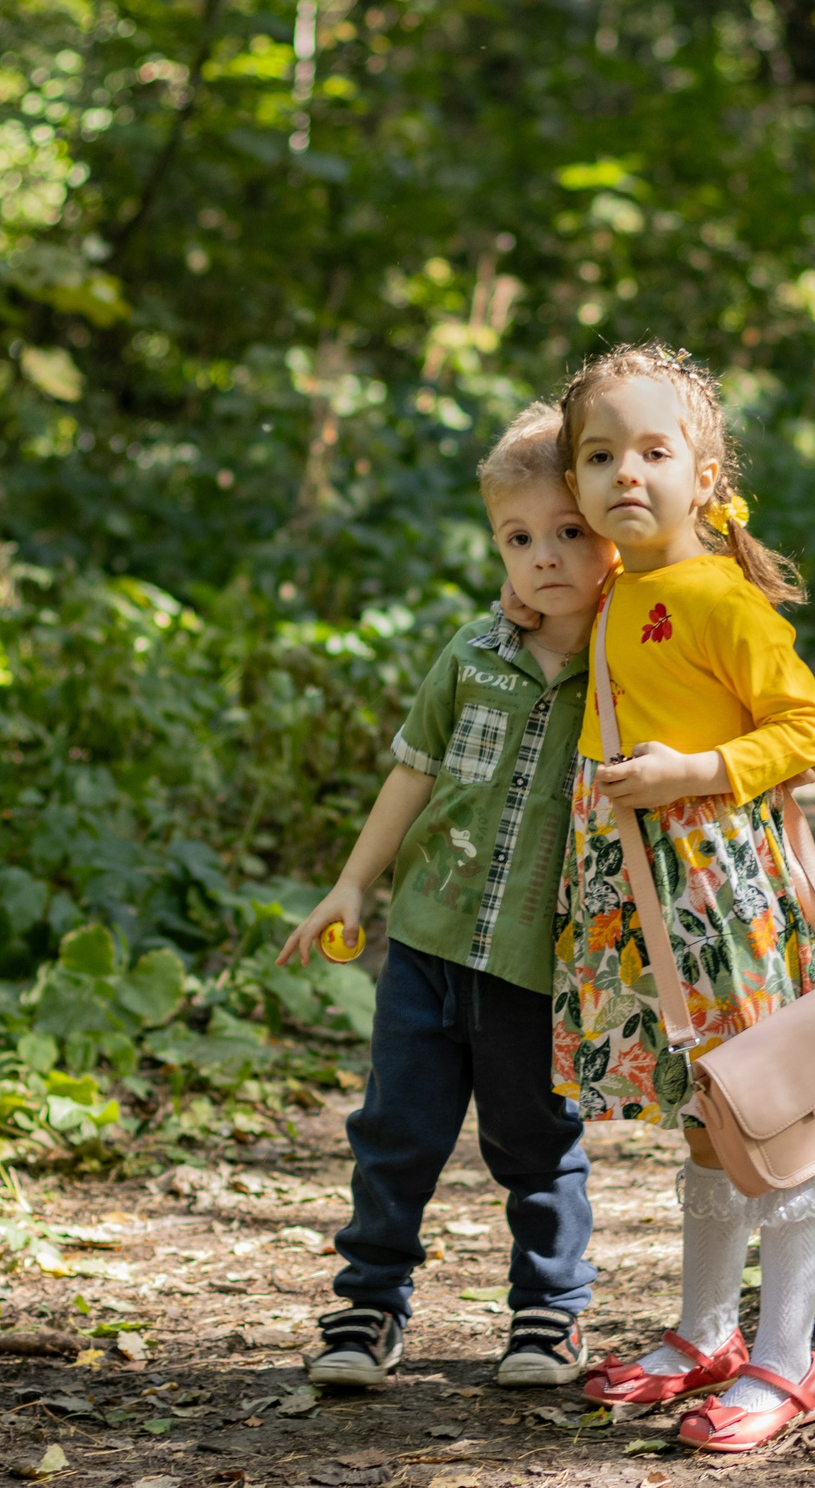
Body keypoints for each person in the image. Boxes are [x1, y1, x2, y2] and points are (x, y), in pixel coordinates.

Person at [277, 401, 614, 1391]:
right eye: (519, 538)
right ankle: (366, 1312)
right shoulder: (470, 658)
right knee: (395, 1134)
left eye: (569, 532)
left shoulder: (628, 671)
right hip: (424, 942)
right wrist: (350, 885)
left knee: (535, 1145)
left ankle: (548, 1318)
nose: (544, 557)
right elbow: (411, 774)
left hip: (533, 962)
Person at [551, 343, 815, 1452]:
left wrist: (692, 772)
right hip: (639, 901)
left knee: (768, 1124)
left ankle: (788, 1358)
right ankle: (707, 1332)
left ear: (707, 479)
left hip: (721, 893)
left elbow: (808, 729)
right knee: (701, 1122)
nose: (627, 473)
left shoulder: (720, 599)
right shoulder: (615, 585)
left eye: (654, 451)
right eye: (599, 454)